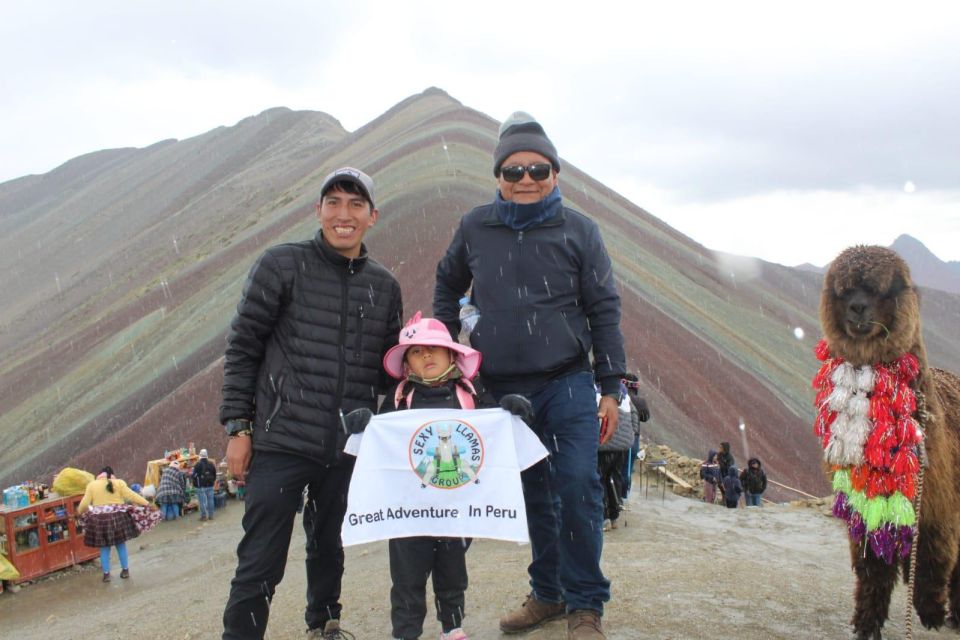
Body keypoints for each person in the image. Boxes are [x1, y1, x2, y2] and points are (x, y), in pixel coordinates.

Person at [434, 112, 626, 640]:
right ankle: (549, 594)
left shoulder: (580, 231)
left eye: (538, 170)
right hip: (500, 388)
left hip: (566, 381)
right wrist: (449, 353)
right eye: (513, 171)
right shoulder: (476, 226)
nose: (526, 180)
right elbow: (447, 284)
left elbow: (604, 308)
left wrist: (611, 388)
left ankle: (586, 604)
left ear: (555, 174)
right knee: (535, 493)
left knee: (579, 487)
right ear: (497, 176)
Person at [219, 167, 403, 640]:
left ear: (372, 216)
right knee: (261, 557)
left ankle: (324, 624)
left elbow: (387, 371)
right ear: (318, 211)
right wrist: (239, 428)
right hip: (282, 440)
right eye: (334, 202)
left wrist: (422, 353)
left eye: (355, 205)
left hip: (346, 446)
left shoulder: (384, 287)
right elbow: (244, 349)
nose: (344, 215)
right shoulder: (281, 265)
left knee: (328, 545)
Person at [368, 312, 534, 640]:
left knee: (452, 572)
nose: (425, 355)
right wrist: (365, 428)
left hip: (457, 509)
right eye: (416, 351)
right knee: (406, 577)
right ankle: (405, 632)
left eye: (433, 348)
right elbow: (380, 442)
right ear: (407, 364)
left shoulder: (471, 393)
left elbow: (492, 429)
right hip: (409, 512)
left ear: (451, 353)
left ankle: (452, 628)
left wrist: (508, 412)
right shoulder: (399, 399)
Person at [77, 466, 160, 582]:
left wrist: (79, 512)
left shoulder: (92, 485)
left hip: (100, 521)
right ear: (112, 475)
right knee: (120, 545)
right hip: (118, 518)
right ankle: (125, 570)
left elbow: (85, 503)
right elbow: (132, 495)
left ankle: (106, 574)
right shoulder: (119, 483)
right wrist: (147, 504)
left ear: (100, 475)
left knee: (104, 548)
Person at [619, 374, 650, 500]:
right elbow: (645, 418)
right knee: (628, 468)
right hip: (633, 438)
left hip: (617, 435)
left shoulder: (619, 396)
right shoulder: (640, 401)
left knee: (616, 467)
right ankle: (624, 496)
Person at [192, 449, 218, 521]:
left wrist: (194, 482)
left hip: (201, 486)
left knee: (202, 502)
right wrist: (212, 481)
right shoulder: (211, 463)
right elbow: (214, 474)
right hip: (210, 485)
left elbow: (194, 475)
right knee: (210, 500)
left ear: (200, 455)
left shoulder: (198, 464)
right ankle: (211, 516)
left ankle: (204, 516)